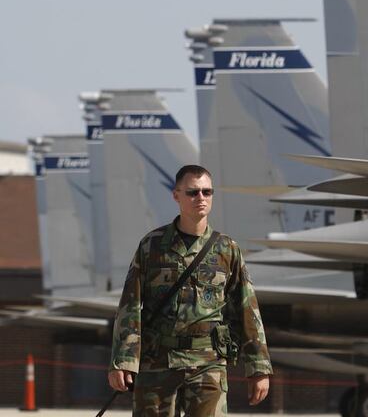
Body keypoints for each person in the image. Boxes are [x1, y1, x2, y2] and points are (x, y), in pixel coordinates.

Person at [108, 165, 272, 416]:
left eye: (207, 192)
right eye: (193, 192)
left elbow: (247, 309)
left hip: (208, 362)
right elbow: (130, 307)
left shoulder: (227, 249)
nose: (201, 198)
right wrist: (123, 361)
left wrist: (258, 367)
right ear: (176, 195)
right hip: (158, 361)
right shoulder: (152, 246)